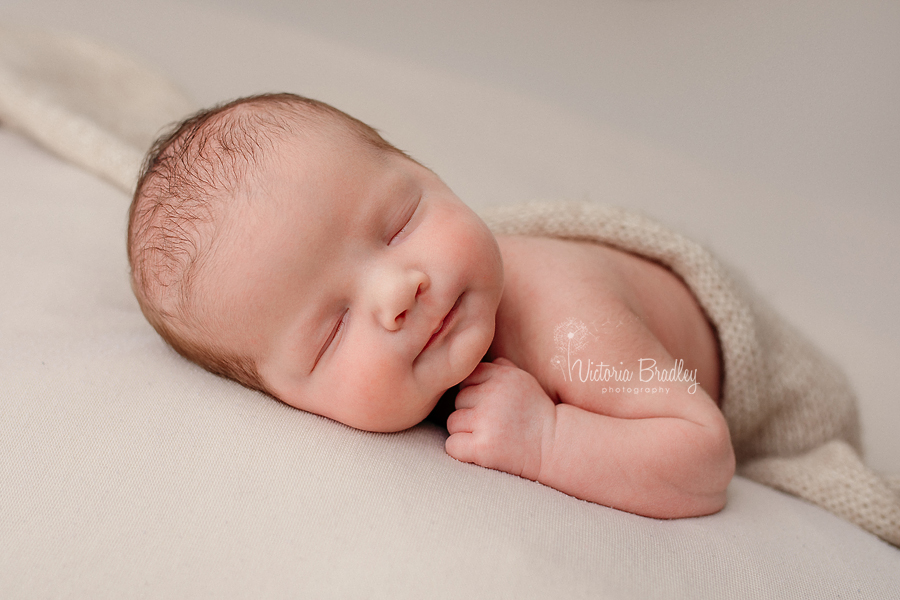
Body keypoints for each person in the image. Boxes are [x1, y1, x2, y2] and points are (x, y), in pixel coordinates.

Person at [128, 92, 740, 520]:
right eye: (332, 332)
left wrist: (547, 439)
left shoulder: (569, 325)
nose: (398, 291)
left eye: (398, 226)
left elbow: (704, 455)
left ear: (430, 172)